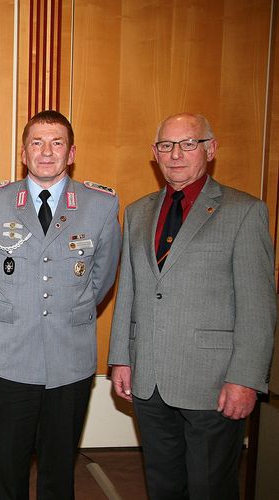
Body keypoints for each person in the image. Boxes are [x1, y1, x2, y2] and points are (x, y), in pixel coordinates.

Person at [108, 113, 276, 499]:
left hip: (213, 384)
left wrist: (246, 378)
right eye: (166, 145)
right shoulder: (137, 212)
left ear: (210, 149)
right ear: (155, 153)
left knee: (210, 487)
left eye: (188, 143)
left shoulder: (244, 211)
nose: (176, 154)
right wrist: (121, 357)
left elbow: (257, 307)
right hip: (148, 381)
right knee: (163, 484)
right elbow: (129, 292)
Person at [0, 110, 121, 499]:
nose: (46, 151)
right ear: (24, 152)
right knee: (10, 465)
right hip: (9, 354)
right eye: (36, 142)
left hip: (69, 357)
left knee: (59, 469)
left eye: (57, 143)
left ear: (71, 152)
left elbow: (102, 278)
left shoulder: (100, 204)